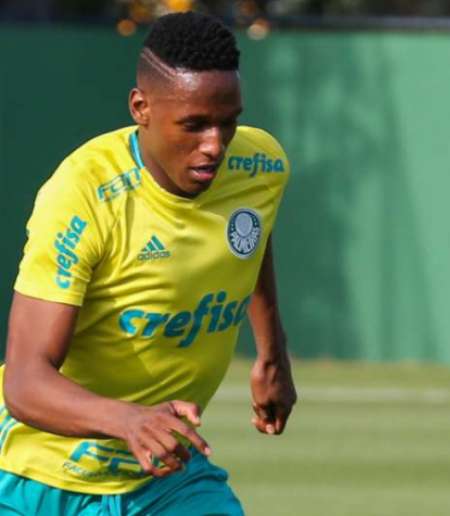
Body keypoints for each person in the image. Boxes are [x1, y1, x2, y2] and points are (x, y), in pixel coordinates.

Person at [0, 11, 295, 515]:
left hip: (162, 482)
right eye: (194, 125)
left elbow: (252, 237)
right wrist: (130, 421)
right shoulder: (83, 196)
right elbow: (25, 382)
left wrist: (272, 354)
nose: (215, 146)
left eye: (229, 122)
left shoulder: (260, 166)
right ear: (141, 107)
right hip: (33, 479)